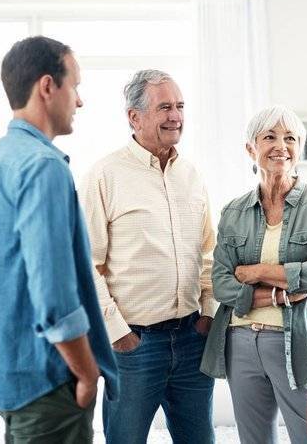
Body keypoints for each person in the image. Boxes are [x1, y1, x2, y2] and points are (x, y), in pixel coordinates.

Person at [0, 36, 118, 444]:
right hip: (50, 383)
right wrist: (86, 373)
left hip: (4, 378)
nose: (79, 101)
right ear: (48, 87)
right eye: (75, 86)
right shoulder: (44, 167)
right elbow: (55, 295)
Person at [81, 69, 216, 444]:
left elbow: (208, 252)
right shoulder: (104, 176)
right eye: (165, 108)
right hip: (135, 345)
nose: (176, 116)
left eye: (180, 106)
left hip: (192, 339)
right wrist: (118, 333)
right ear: (134, 117)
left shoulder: (192, 175)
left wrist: (208, 312)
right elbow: (86, 263)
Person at [200, 105, 307, 444]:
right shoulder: (234, 211)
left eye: (290, 138)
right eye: (269, 137)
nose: (281, 146)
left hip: (297, 342)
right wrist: (279, 293)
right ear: (251, 148)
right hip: (240, 340)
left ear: (299, 148)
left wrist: (257, 271)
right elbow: (221, 283)